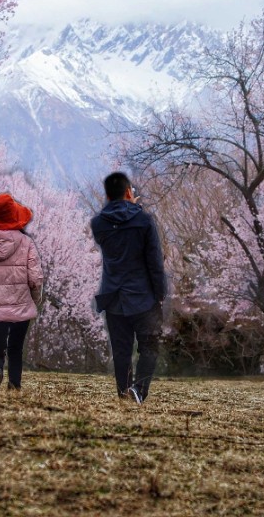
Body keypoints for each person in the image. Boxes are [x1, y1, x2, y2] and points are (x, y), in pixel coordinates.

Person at [90, 172, 167, 404]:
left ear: (107, 195)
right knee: (149, 346)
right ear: (128, 192)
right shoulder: (144, 220)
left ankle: (124, 392)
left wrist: (125, 205)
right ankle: (139, 390)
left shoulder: (98, 224)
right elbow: (155, 261)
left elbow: (116, 223)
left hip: (113, 296)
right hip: (143, 295)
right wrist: (160, 293)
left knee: (121, 350)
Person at [0, 193, 44, 391]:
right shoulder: (26, 242)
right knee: (15, 349)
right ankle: (14, 385)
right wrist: (34, 299)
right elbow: (35, 278)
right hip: (20, 304)